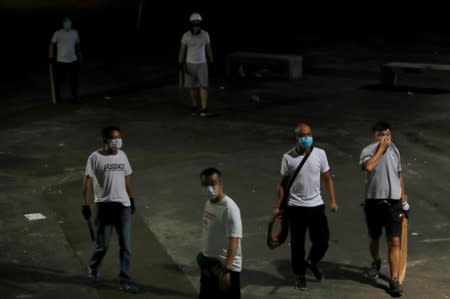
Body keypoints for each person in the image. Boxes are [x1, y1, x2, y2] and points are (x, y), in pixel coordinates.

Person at [273, 122, 338, 290]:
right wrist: (277, 205)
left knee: (322, 241)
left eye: (309, 134)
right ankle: (300, 275)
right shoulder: (288, 157)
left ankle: (313, 261)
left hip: (316, 205)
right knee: (297, 244)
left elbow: (328, 178)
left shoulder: (320, 154)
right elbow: (282, 184)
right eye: (303, 135)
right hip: (295, 207)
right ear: (297, 138)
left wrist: (333, 201)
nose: (307, 138)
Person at [81, 126, 139, 293]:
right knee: (103, 245)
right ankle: (93, 268)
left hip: (123, 207)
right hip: (104, 206)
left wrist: (131, 198)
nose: (118, 141)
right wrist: (85, 204)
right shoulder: (95, 157)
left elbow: (127, 176)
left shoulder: (123, 155)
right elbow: (88, 181)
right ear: (105, 140)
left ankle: (125, 279)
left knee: (126, 246)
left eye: (119, 137)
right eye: (114, 138)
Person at [360, 121, 409, 295]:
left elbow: (399, 174)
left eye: (387, 134)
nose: (385, 138)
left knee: (394, 241)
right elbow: (369, 167)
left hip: (393, 203)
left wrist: (404, 200)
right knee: (374, 237)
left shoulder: (395, 150)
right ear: (374, 136)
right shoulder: (367, 151)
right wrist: (381, 149)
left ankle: (394, 280)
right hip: (374, 202)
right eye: (381, 135)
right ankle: (376, 261)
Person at [197, 168, 242, 299]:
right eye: (205, 185)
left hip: (224, 267)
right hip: (209, 265)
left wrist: (226, 271)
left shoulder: (230, 208)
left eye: (213, 184)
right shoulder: (208, 203)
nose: (209, 188)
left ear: (220, 184)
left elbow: (234, 241)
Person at [178, 13, 214, 117]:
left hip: (202, 64)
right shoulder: (186, 35)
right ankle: (195, 106)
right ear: (190, 24)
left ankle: (204, 108)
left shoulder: (205, 34)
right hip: (189, 64)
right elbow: (182, 50)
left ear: (201, 24)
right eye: (194, 23)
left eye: (198, 23)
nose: (196, 25)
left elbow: (209, 49)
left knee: (204, 86)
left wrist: (211, 61)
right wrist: (180, 63)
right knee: (191, 87)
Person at [49, 17, 81, 103]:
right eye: (66, 23)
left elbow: (77, 44)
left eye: (69, 22)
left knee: (74, 80)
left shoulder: (75, 32)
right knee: (60, 80)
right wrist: (51, 57)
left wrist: (80, 55)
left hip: (73, 60)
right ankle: (57, 97)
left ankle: (75, 96)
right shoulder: (58, 33)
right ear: (63, 24)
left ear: (71, 23)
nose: (68, 24)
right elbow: (52, 44)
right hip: (61, 61)